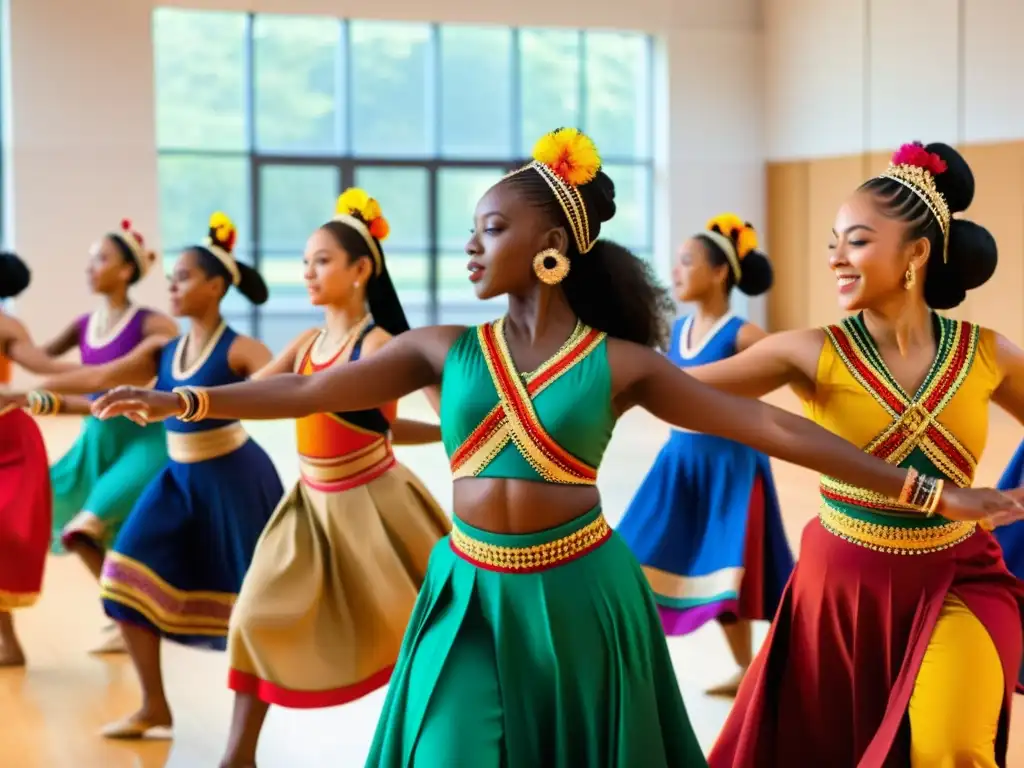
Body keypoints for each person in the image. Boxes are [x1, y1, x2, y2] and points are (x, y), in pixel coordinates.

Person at [90, 130, 1024, 767]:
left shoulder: (621, 364)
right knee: (452, 749)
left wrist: (928, 494)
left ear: (553, 246)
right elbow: (305, 388)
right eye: (471, 230)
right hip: (469, 595)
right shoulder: (442, 347)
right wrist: (186, 395)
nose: (469, 245)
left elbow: (778, 428)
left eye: (491, 228)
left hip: (583, 592)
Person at [682, 142, 1024, 767]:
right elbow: (674, 393)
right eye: (833, 241)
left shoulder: (986, 353)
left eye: (857, 241)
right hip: (837, 594)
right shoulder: (808, 351)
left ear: (916, 253)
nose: (836, 256)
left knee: (953, 747)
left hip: (959, 578)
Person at [7, 213, 283, 739]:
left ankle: (242, 745)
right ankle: (155, 705)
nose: (173, 287)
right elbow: (97, 382)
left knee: (252, 611)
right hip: (178, 479)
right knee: (118, 579)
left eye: (184, 277)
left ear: (216, 286)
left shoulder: (242, 349)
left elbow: (281, 393)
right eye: (172, 276)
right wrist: (27, 398)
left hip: (235, 480)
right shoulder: (162, 350)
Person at [219, 189, 451, 768]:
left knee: (429, 638)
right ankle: (237, 757)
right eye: (304, 262)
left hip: (378, 507)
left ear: (361, 269)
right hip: (309, 506)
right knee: (254, 617)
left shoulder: (381, 344)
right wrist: (178, 400)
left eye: (321, 259)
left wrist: (455, 433)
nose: (307, 272)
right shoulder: (306, 344)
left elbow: (414, 420)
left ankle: (437, 747)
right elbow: (252, 398)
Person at [617, 214, 793, 697]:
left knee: (727, 573)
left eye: (686, 261)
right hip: (679, 464)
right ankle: (631, 664)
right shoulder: (677, 332)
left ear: (719, 273)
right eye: (676, 262)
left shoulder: (743, 334)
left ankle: (750, 669)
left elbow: (790, 369)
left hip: (731, 471)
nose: (675, 271)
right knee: (630, 555)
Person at [39, 221, 176, 654]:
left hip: (142, 438)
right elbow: (37, 358)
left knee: (90, 525)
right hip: (96, 438)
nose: (90, 267)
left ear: (125, 270)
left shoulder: (153, 324)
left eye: (101, 258)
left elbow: (110, 375)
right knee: (88, 526)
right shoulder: (84, 324)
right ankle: (126, 616)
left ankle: (130, 616)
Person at [0, 252, 79, 666]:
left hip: (8, 439)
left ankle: (9, 642)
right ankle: (9, 643)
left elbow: (42, 364)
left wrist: (111, 372)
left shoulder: (7, 325)